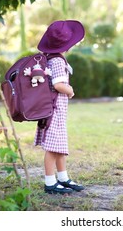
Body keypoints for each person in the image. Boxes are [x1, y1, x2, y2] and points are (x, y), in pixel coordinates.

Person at [34, 20, 85, 194]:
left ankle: (63, 178)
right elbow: (58, 85)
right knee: (52, 147)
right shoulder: (56, 61)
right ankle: (50, 182)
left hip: (56, 110)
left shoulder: (53, 59)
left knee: (59, 145)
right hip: (53, 110)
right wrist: (70, 91)